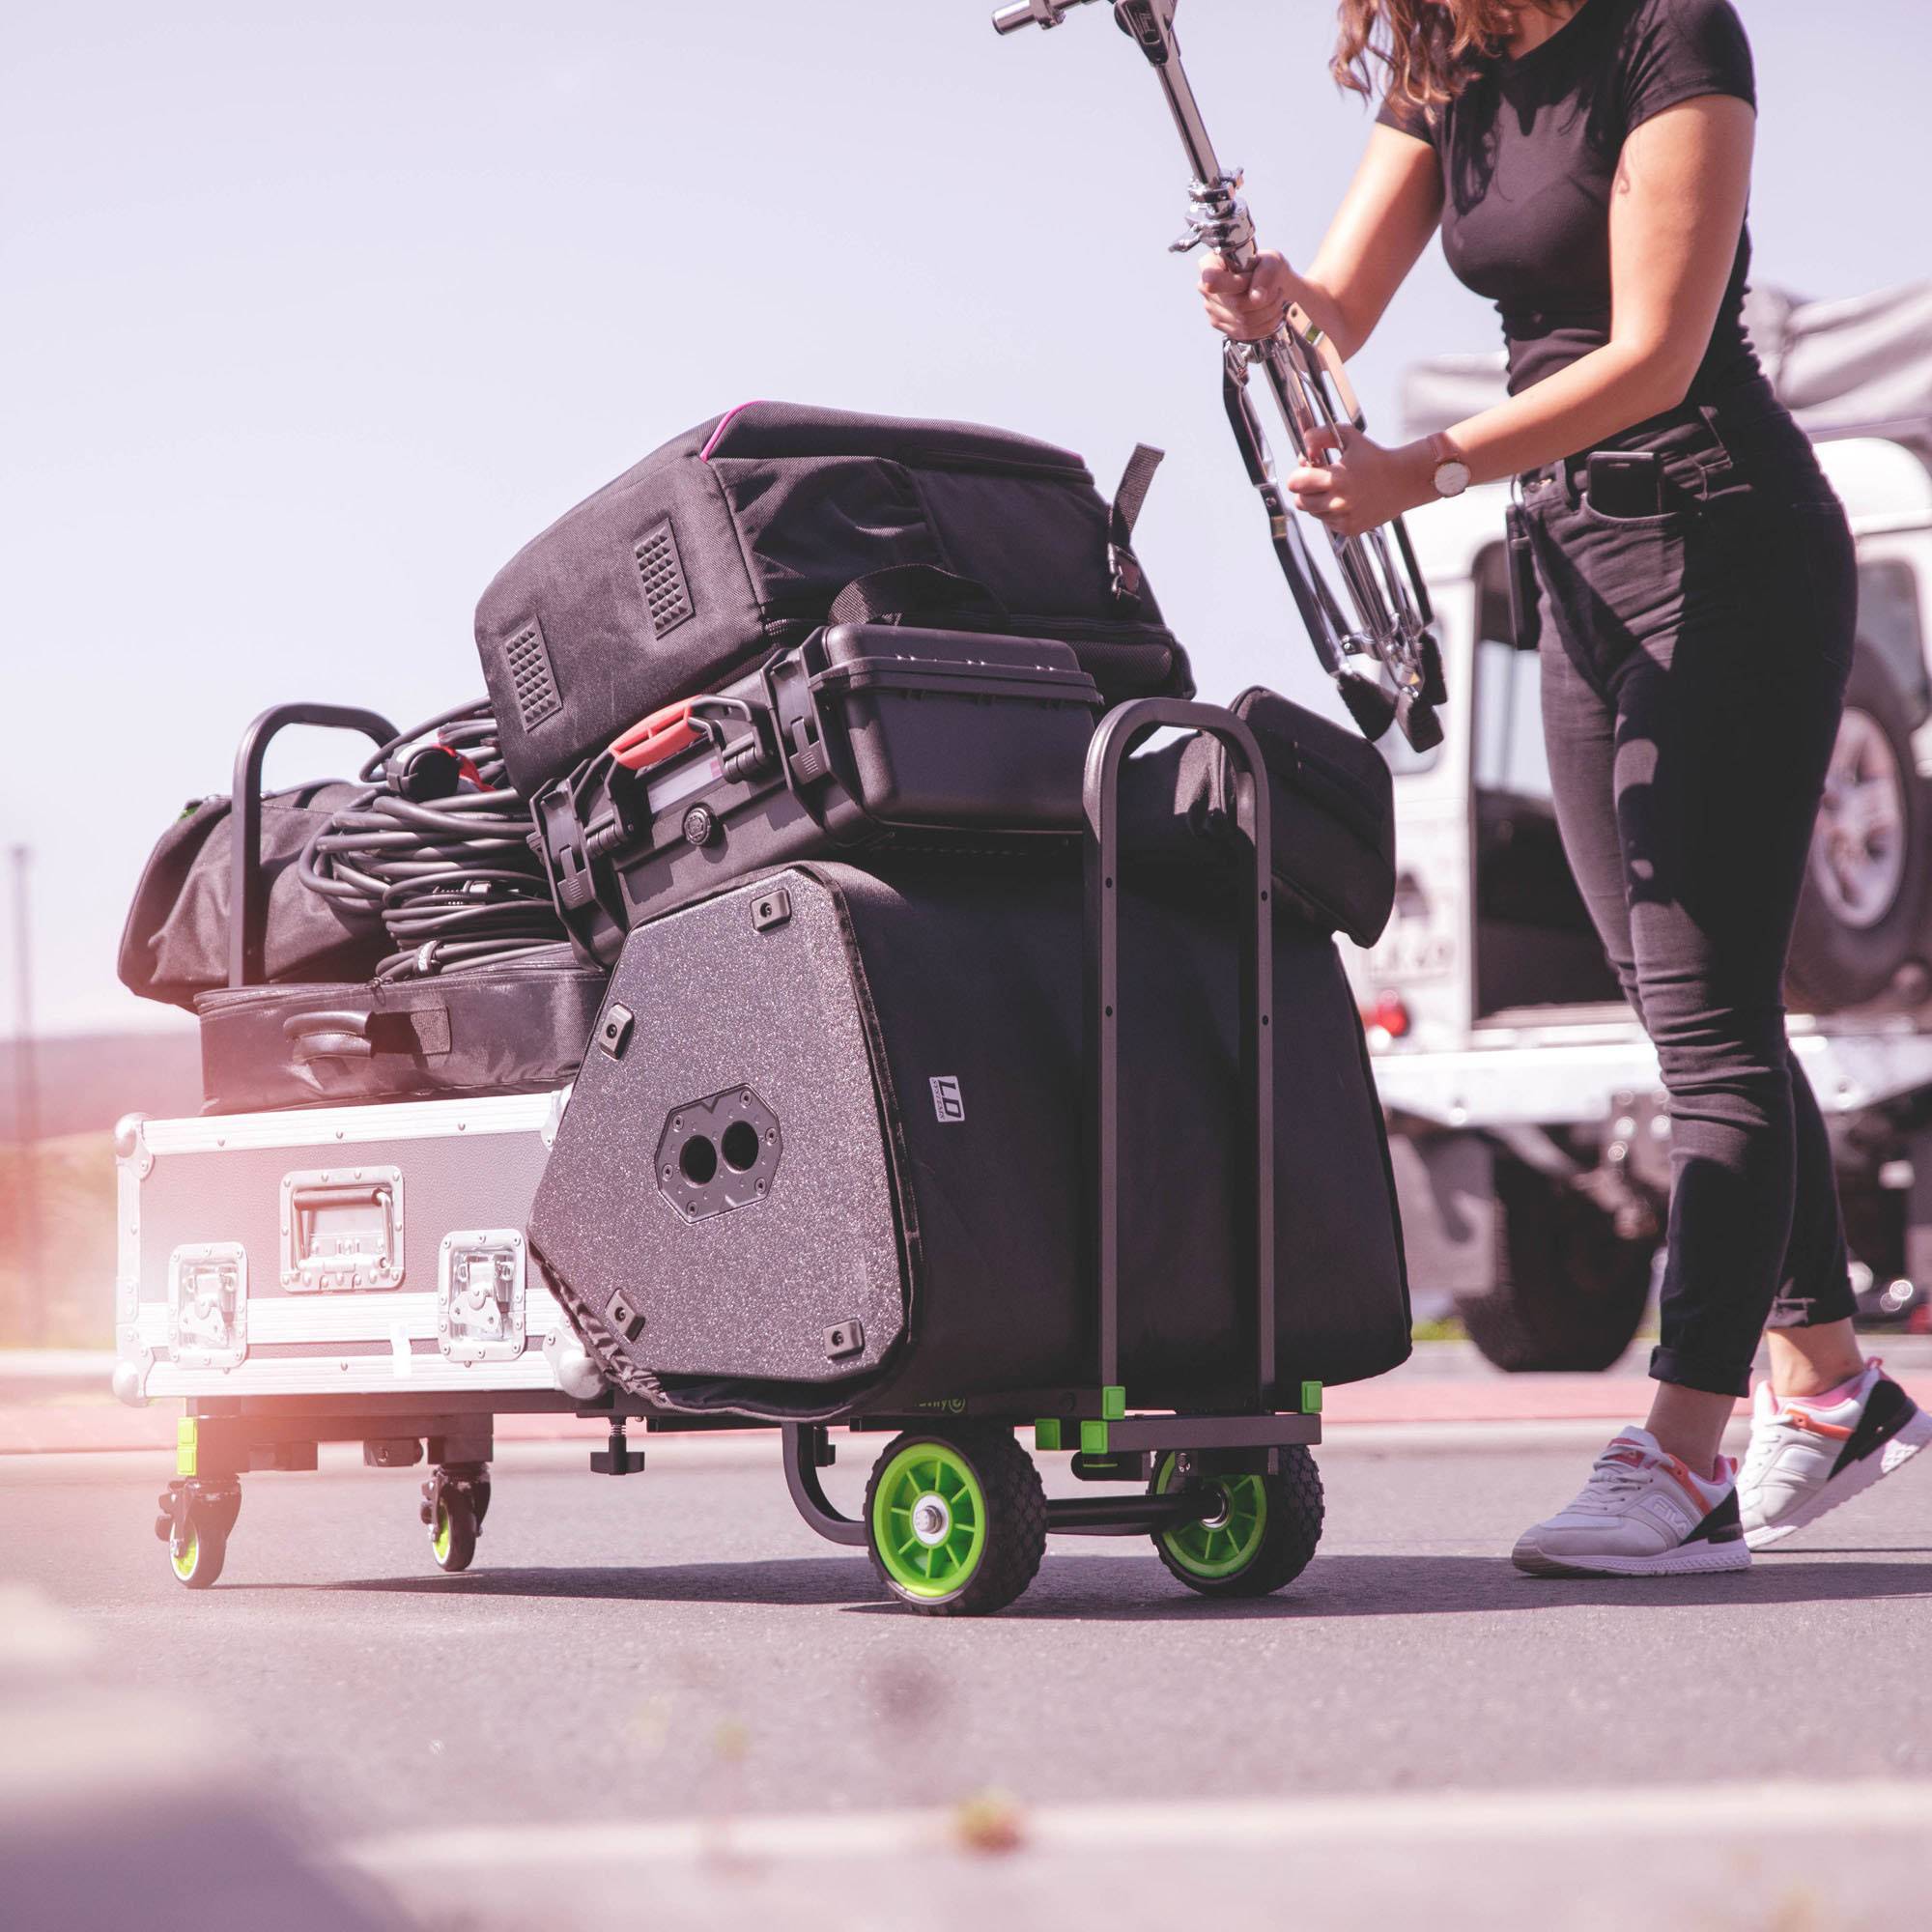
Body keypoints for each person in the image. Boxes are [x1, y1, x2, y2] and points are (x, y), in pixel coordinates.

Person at [1201, 0, 1931, 1578]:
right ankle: (1826, 1384)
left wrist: (1426, 470)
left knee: (1710, 1015)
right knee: (1688, 997)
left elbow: (1657, 349)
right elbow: (1331, 317)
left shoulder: (1672, 33)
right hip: (1573, 569)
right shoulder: (1444, 65)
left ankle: (1679, 1457)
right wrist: (1274, 310)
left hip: (1725, 544)